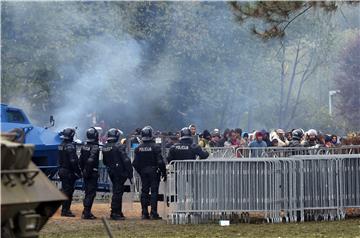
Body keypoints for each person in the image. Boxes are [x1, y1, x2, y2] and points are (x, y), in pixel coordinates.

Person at [132, 126, 166, 220]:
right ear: (151, 134)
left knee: (144, 191)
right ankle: (153, 213)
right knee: (154, 192)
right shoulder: (156, 147)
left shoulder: (138, 148)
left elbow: (135, 163)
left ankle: (144, 213)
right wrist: (163, 172)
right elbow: (160, 161)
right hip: (154, 172)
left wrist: (141, 171)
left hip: (143, 172)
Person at [102, 128, 133, 220]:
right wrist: (130, 173)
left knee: (117, 191)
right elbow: (126, 160)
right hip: (120, 172)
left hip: (111, 171)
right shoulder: (119, 146)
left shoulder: (105, 147)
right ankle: (115, 213)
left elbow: (104, 161)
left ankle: (118, 212)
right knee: (118, 192)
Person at [58, 128, 81, 217]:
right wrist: (78, 172)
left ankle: (65, 209)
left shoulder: (61, 144)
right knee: (68, 191)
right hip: (68, 171)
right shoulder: (70, 146)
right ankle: (65, 210)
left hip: (62, 170)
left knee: (65, 190)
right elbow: (73, 161)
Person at [79, 127, 100, 219]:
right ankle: (87, 213)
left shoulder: (84, 146)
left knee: (88, 192)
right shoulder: (95, 147)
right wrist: (87, 171)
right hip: (92, 172)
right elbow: (91, 160)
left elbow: (80, 160)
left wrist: (83, 170)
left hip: (86, 172)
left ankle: (85, 211)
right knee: (90, 193)